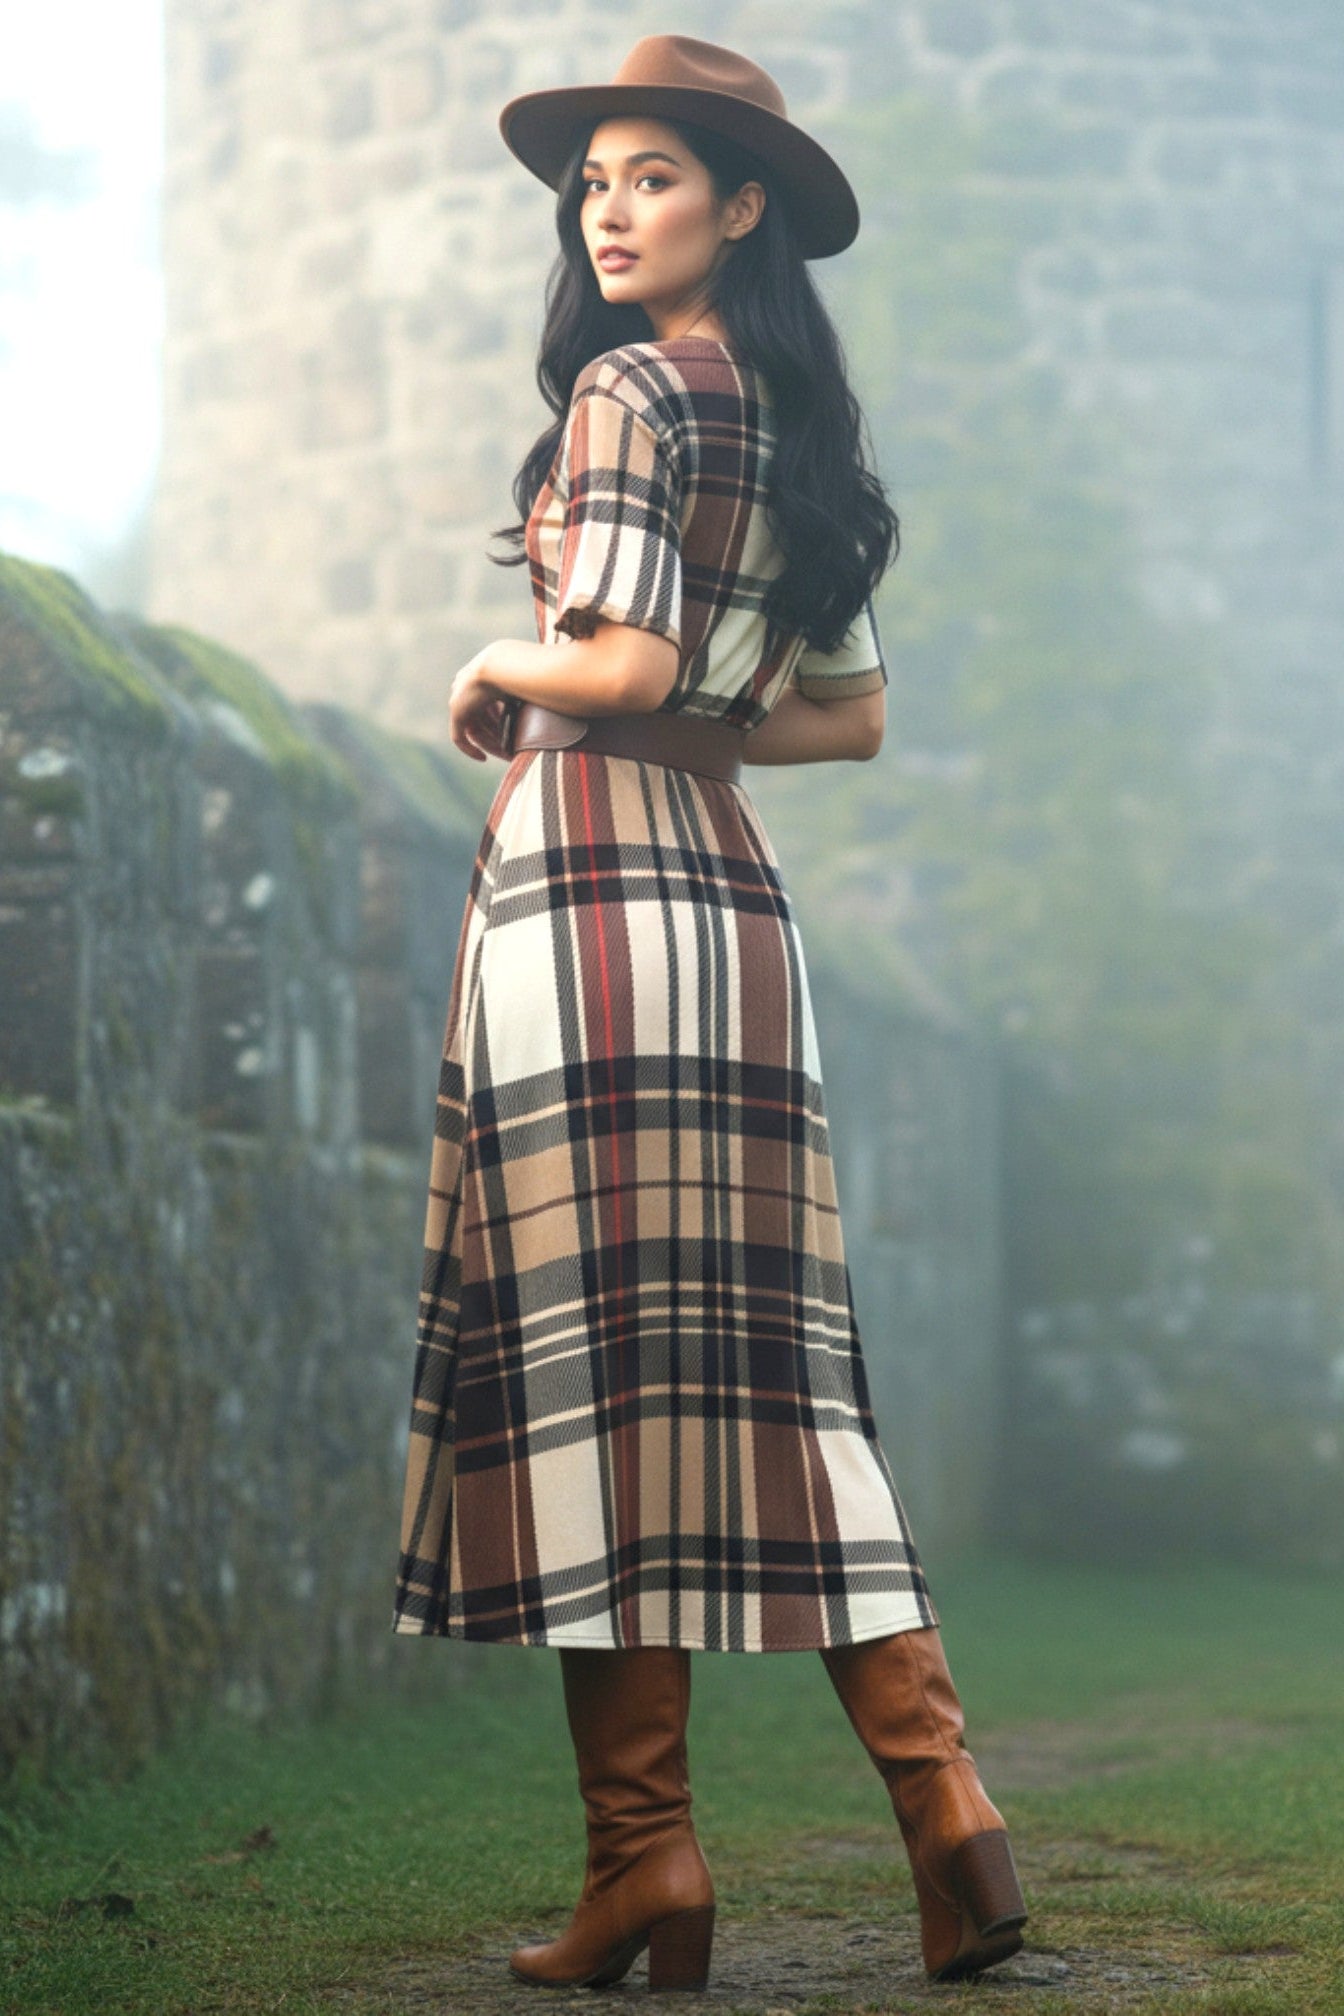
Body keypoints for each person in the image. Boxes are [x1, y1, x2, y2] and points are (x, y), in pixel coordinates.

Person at [390, 32, 1028, 1994]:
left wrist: (509, 656)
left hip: (584, 903)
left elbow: (633, 647)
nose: (608, 203)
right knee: (771, 1384)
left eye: (652, 174)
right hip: (730, 920)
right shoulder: (797, 434)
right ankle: (952, 1818)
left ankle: (646, 1860)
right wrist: (661, 702)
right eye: (595, 177)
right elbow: (842, 717)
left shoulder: (625, 387)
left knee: (595, 1381)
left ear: (740, 208)